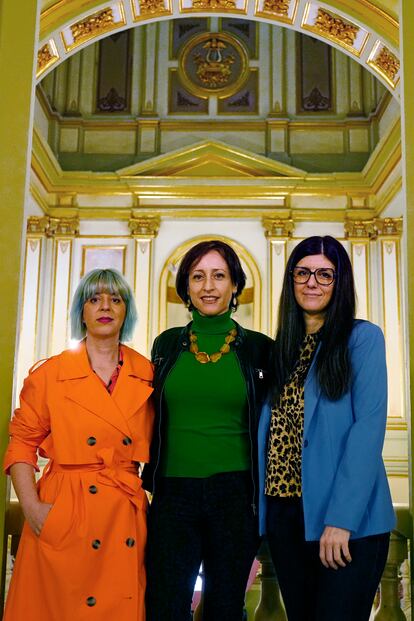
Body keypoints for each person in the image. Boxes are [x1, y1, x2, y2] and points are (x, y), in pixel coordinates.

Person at [258, 235, 396, 621]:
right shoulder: (281, 349)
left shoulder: (362, 339)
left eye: (324, 274)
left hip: (346, 520)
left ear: (339, 282)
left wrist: (341, 520)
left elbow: (367, 431)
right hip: (287, 518)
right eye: (303, 272)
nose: (312, 282)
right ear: (291, 280)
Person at [4, 268, 154, 621]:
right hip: (64, 506)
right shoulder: (50, 373)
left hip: (122, 511)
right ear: (81, 311)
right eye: (94, 298)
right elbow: (21, 443)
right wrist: (33, 509)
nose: (105, 306)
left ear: (126, 311)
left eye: (115, 299)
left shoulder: (146, 371)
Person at [143, 239, 272, 621]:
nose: (208, 286)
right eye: (197, 277)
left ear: (235, 285)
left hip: (235, 495)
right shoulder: (165, 345)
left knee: (225, 608)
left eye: (219, 275)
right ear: (186, 287)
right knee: (165, 606)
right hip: (172, 494)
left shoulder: (260, 350)